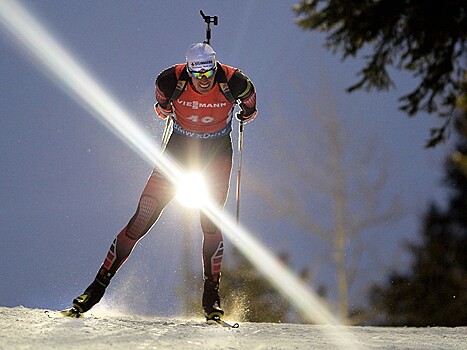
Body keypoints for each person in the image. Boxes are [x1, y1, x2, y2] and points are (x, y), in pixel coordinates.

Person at [69, 42, 257, 320]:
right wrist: (166, 109)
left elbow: (251, 106)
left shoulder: (235, 81)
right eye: (198, 74)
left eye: (209, 73)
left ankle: (211, 298)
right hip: (179, 150)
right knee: (141, 218)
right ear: (189, 70)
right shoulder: (170, 80)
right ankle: (95, 289)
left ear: (215, 67)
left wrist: (246, 113)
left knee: (210, 220)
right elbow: (161, 106)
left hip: (217, 152)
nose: (204, 80)